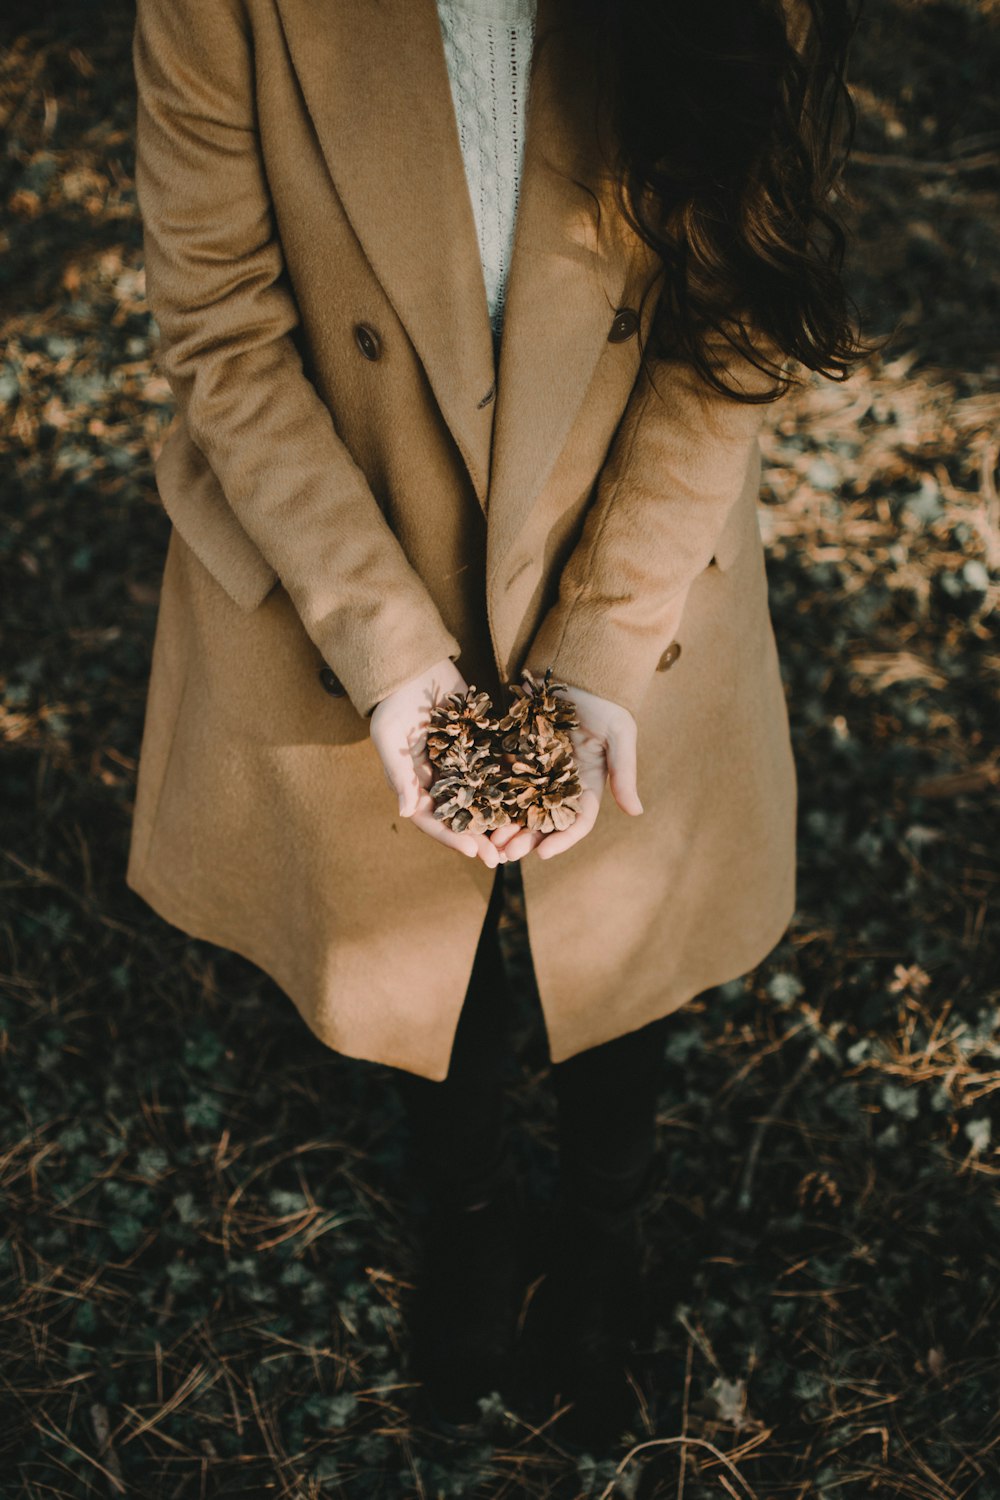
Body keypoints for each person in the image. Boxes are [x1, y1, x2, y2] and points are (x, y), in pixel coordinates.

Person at [127, 0, 868, 1448]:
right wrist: (393, 660)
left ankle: (602, 1231)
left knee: (618, 907)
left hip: (634, 531)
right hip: (347, 527)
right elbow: (221, 324)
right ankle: (465, 1214)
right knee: (409, 888)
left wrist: (600, 648)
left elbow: (736, 328)